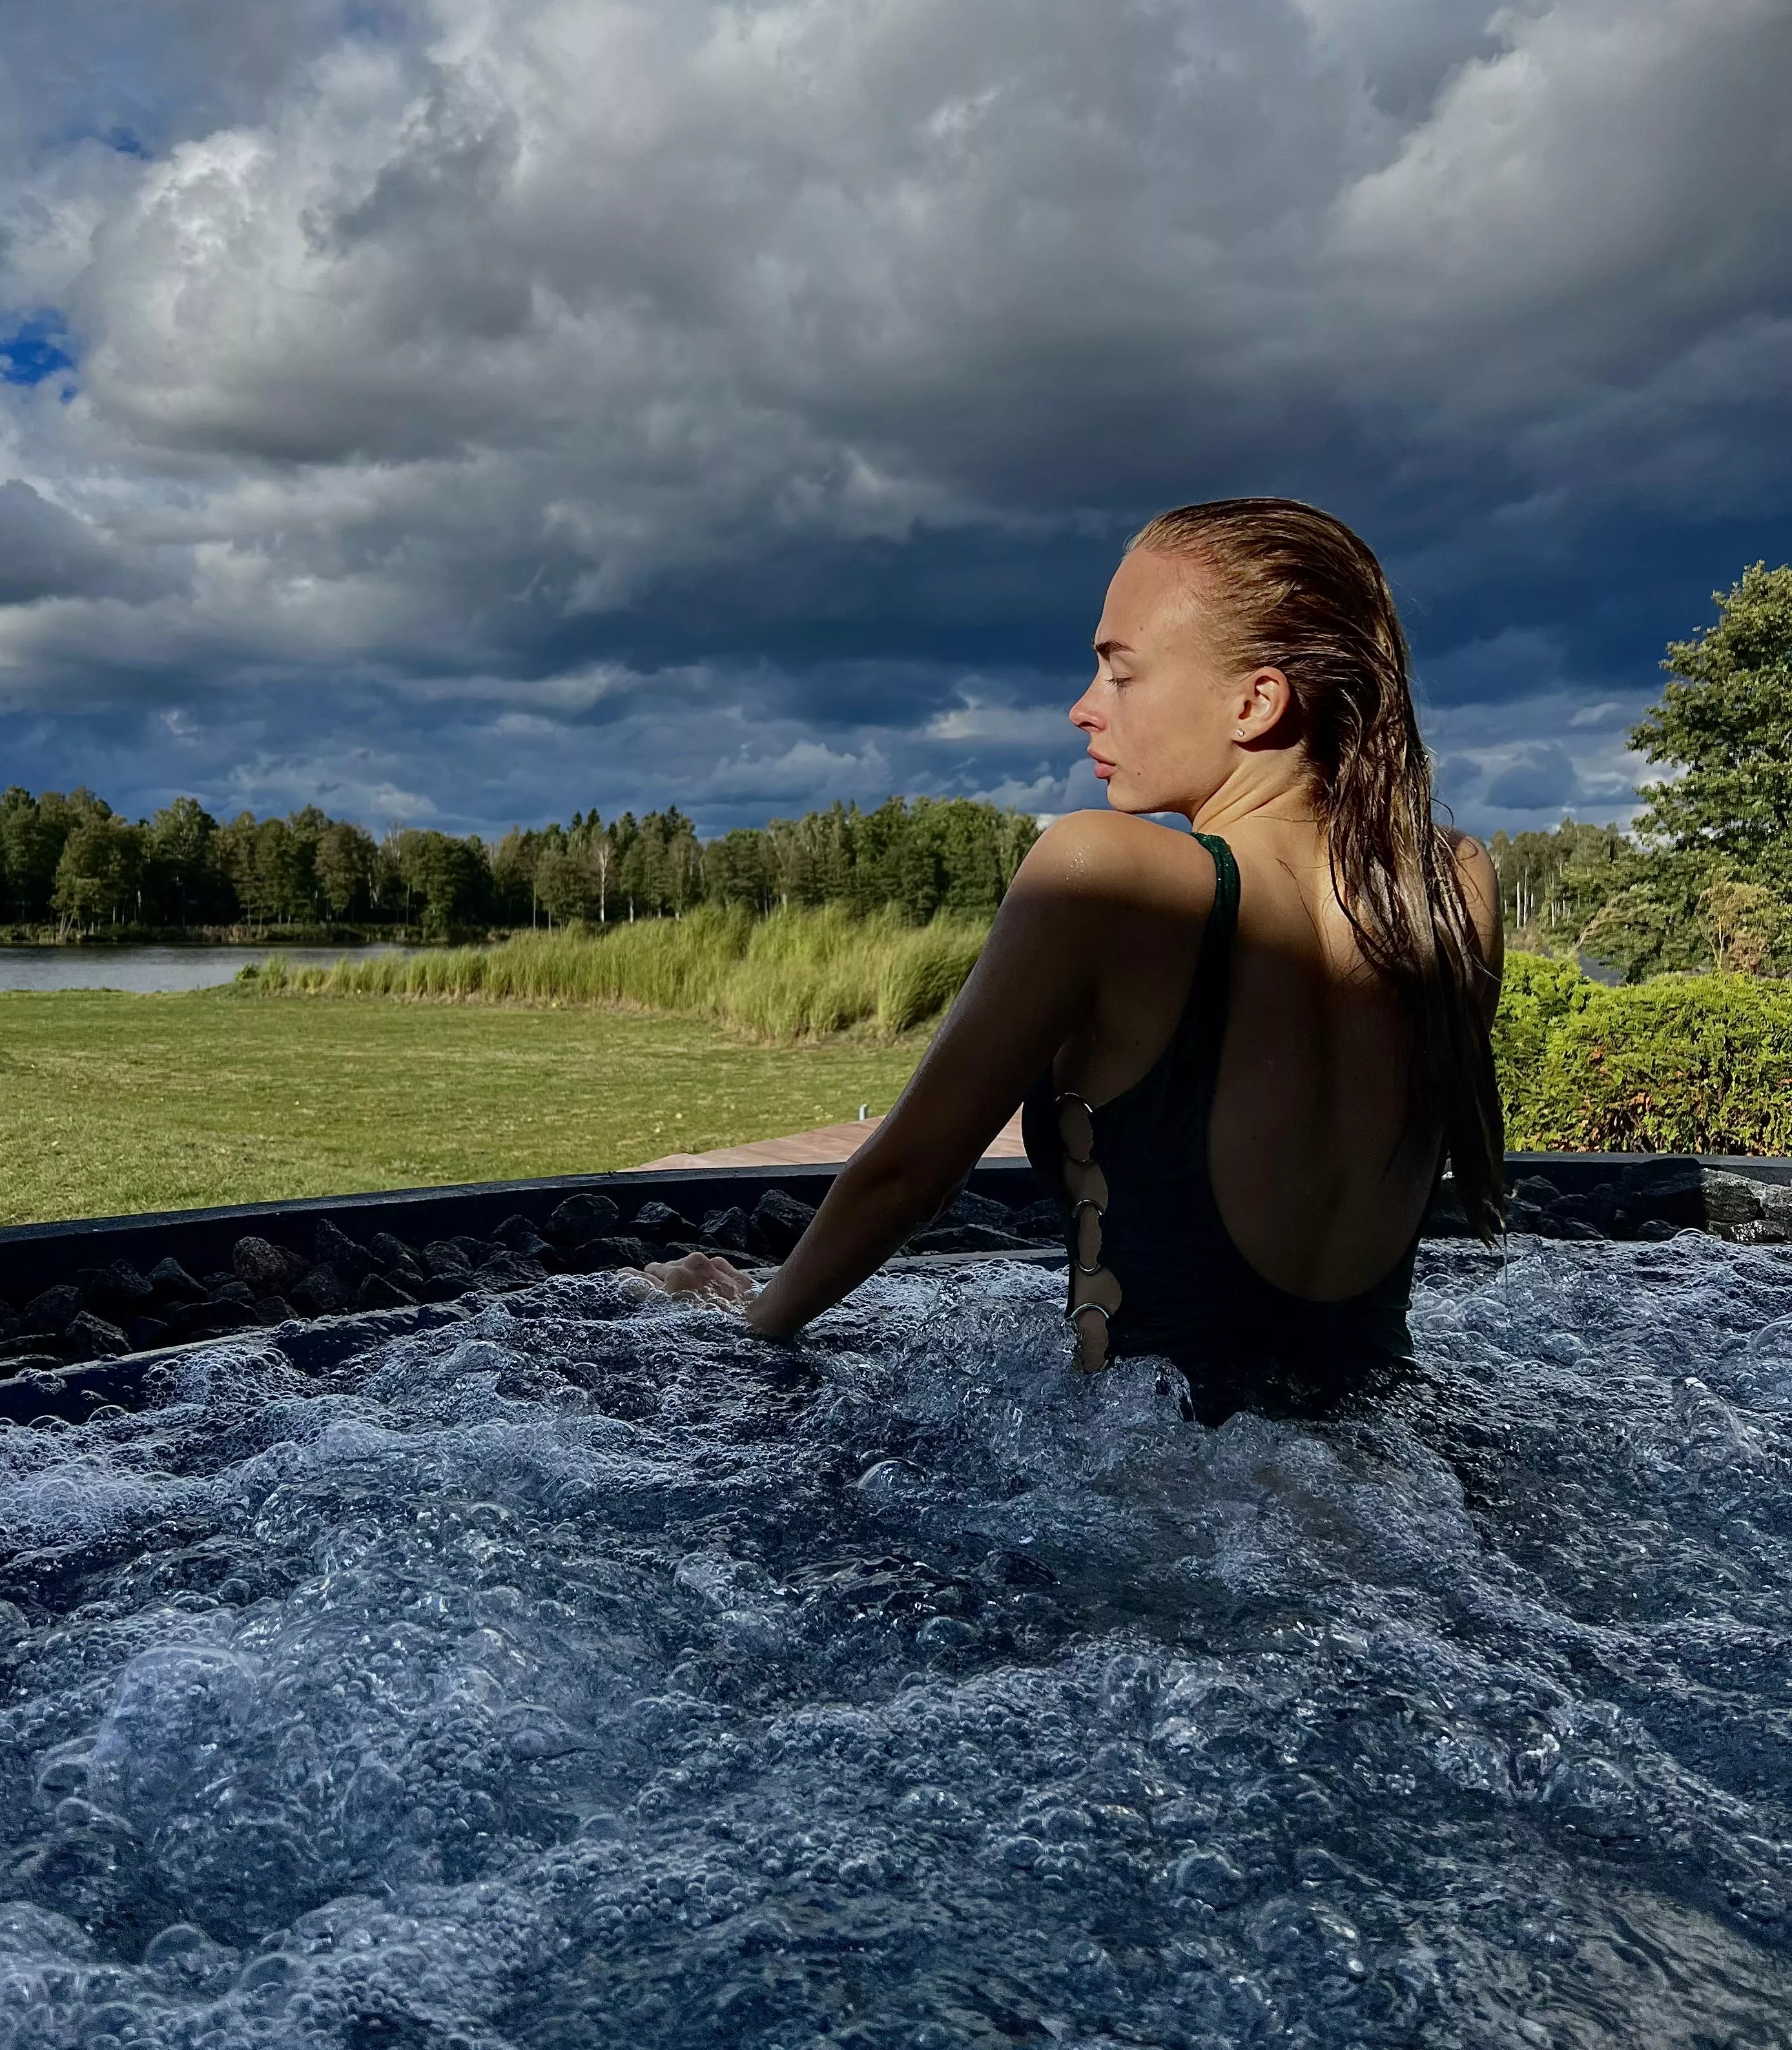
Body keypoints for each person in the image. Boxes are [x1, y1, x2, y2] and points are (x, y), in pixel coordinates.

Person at [644, 497, 1505, 1417]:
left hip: (1159, 1476)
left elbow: (908, 1176)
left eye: (1119, 672)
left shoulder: (1110, 875)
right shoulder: (1453, 885)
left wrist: (749, 1318)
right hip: (1388, 1450)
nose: (1083, 708)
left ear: (1255, 702)